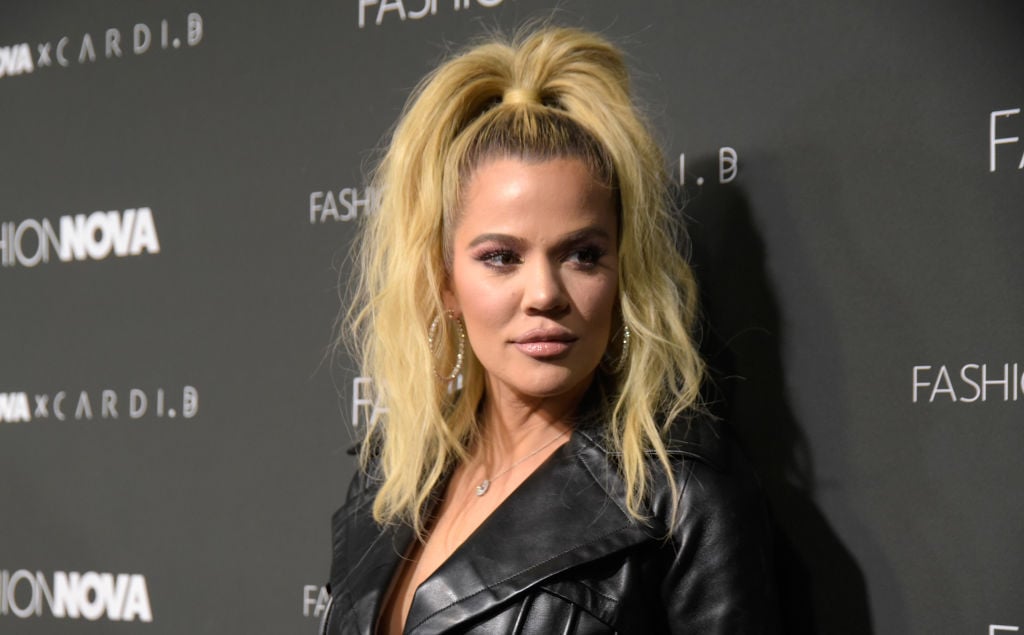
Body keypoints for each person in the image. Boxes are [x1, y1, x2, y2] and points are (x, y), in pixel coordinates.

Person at [322, 25, 778, 634]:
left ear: (624, 272)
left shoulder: (682, 495)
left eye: (582, 255)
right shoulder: (394, 471)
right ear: (445, 281)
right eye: (501, 257)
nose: (544, 294)